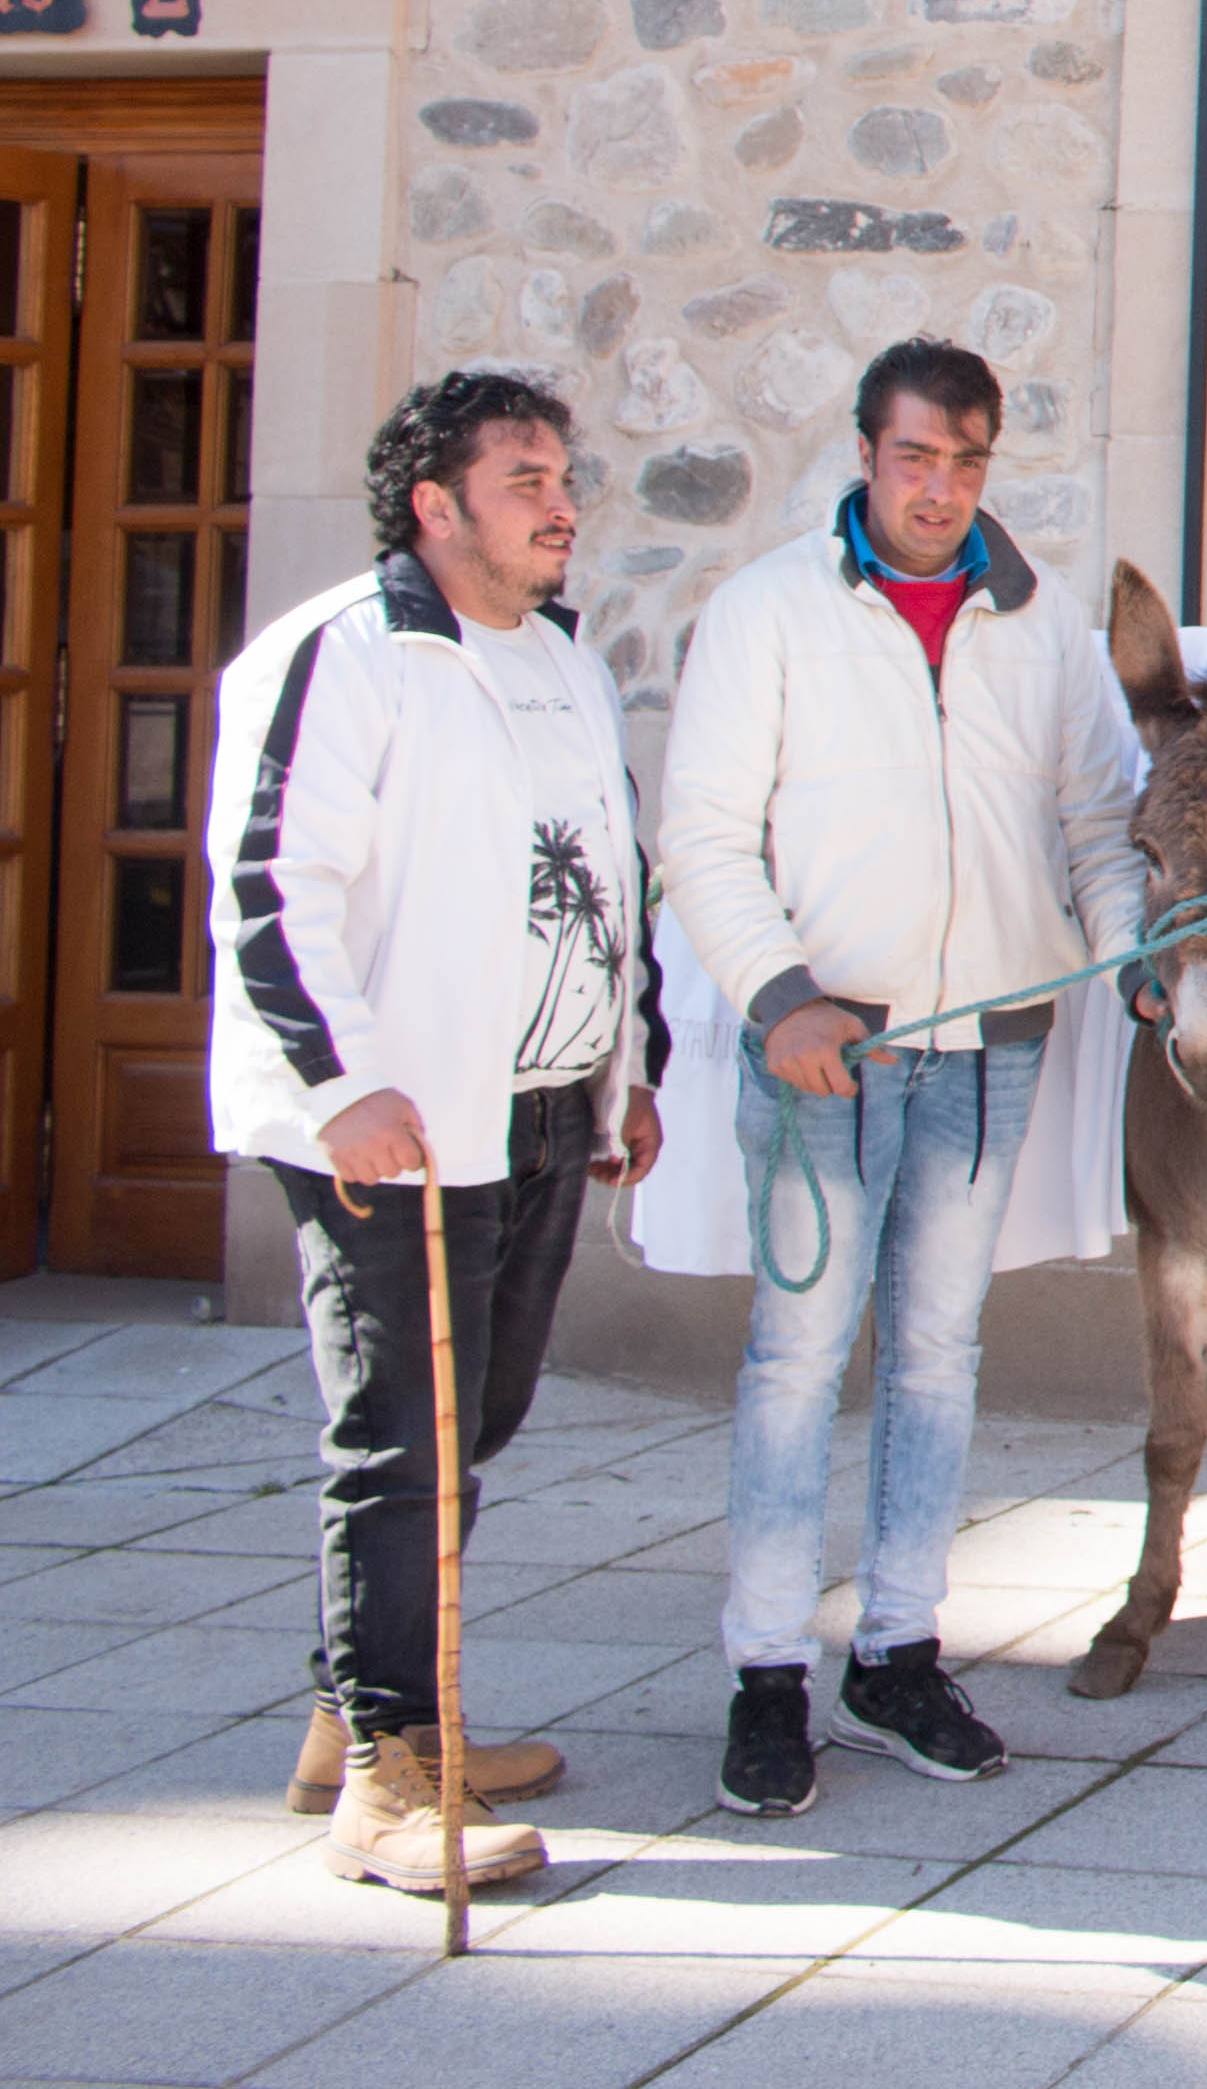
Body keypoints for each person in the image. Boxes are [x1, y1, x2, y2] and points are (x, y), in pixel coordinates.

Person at [660, 338, 1147, 1818]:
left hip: (986, 1051)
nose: (942, 489)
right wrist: (780, 997)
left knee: (939, 1358)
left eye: (969, 462)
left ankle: (898, 1652)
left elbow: (1101, 820)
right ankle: (765, 1675)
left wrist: (1132, 954)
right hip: (831, 1052)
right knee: (799, 1361)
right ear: (867, 457)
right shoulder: (769, 616)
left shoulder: (1042, 621)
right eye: (916, 458)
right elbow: (702, 836)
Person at [209, 373, 660, 1899]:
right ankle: (394, 1769)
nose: (561, 500)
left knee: (488, 1415)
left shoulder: (559, 663)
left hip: (532, 1109)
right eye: (525, 475)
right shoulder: (340, 657)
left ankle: (361, 1718)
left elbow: (613, 880)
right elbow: (270, 884)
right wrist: (341, 1088)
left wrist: (626, 1070)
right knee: (404, 1435)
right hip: (390, 1123)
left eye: (563, 471)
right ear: (435, 503)